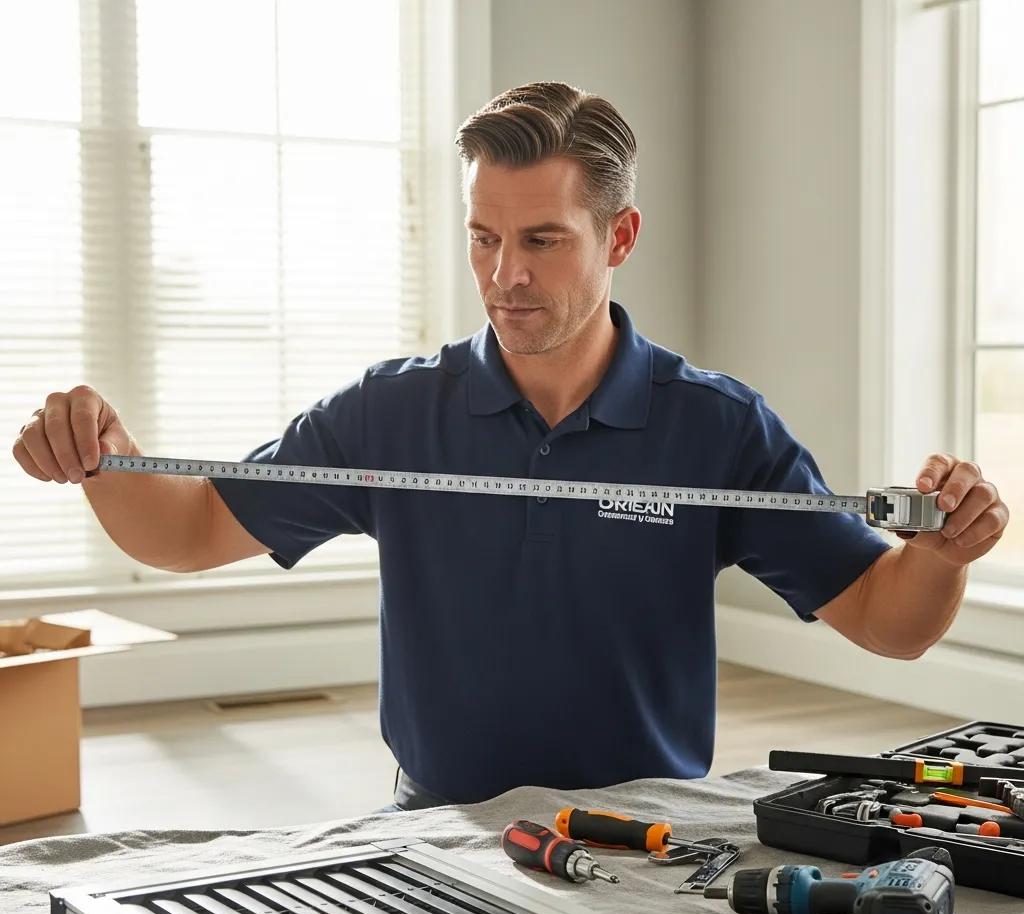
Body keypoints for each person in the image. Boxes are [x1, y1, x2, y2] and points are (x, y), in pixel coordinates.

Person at [12, 83, 1009, 811]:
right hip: (433, 831)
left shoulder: (717, 426)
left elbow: (889, 624)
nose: (503, 276)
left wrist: (942, 552)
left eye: (541, 240)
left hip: (648, 838)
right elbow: (189, 532)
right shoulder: (388, 413)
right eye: (483, 237)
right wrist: (101, 454)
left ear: (619, 238)